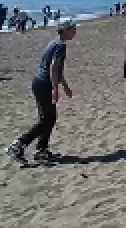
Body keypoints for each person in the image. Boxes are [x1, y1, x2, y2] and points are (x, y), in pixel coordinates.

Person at [7, 20, 77, 163]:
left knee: (48, 118)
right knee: (47, 119)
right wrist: (55, 89)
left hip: (39, 83)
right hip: (44, 84)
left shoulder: (54, 42)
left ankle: (41, 150)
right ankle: (19, 144)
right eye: (72, 29)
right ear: (65, 30)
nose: (75, 32)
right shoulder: (60, 45)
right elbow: (53, 67)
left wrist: (65, 86)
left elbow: (57, 69)